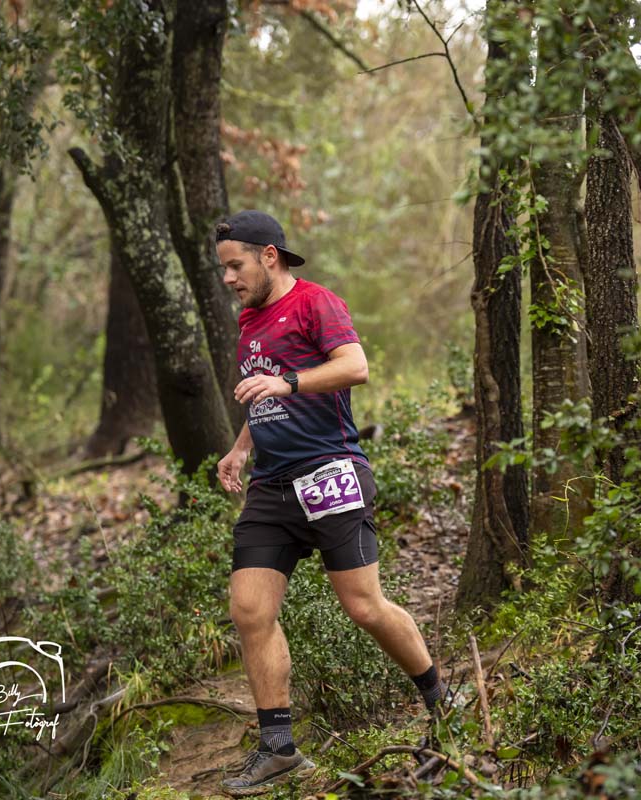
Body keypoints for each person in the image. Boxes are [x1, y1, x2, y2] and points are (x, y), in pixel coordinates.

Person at [213, 210, 448, 796]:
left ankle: (443, 700)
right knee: (249, 610)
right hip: (271, 486)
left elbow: (354, 367)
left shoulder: (316, 302)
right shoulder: (249, 320)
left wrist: (289, 382)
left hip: (330, 472)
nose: (229, 279)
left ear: (269, 255)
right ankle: (279, 749)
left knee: (364, 607)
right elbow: (264, 394)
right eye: (223, 269)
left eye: (235, 266)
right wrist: (241, 447)